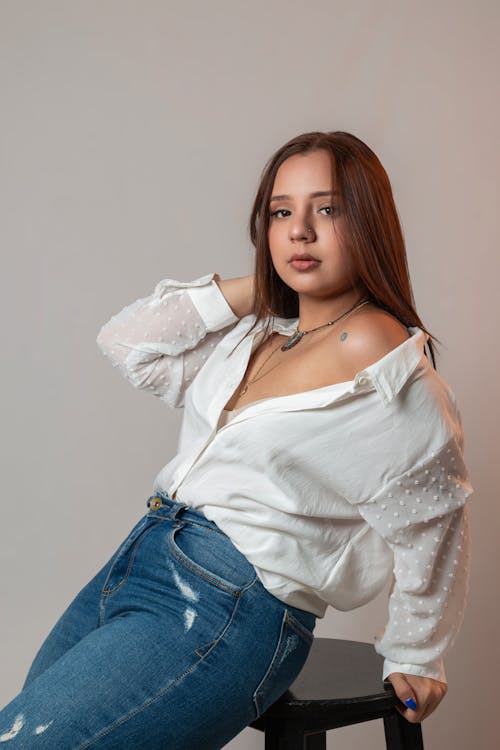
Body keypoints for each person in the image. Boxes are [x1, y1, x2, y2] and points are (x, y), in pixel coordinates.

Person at [0, 131, 473, 748]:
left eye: (326, 209)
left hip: (226, 604)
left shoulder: (377, 355)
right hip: (139, 561)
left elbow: (432, 515)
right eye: (281, 212)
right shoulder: (260, 335)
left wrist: (417, 651)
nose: (299, 230)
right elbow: (129, 343)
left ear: (369, 222)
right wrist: (262, 285)